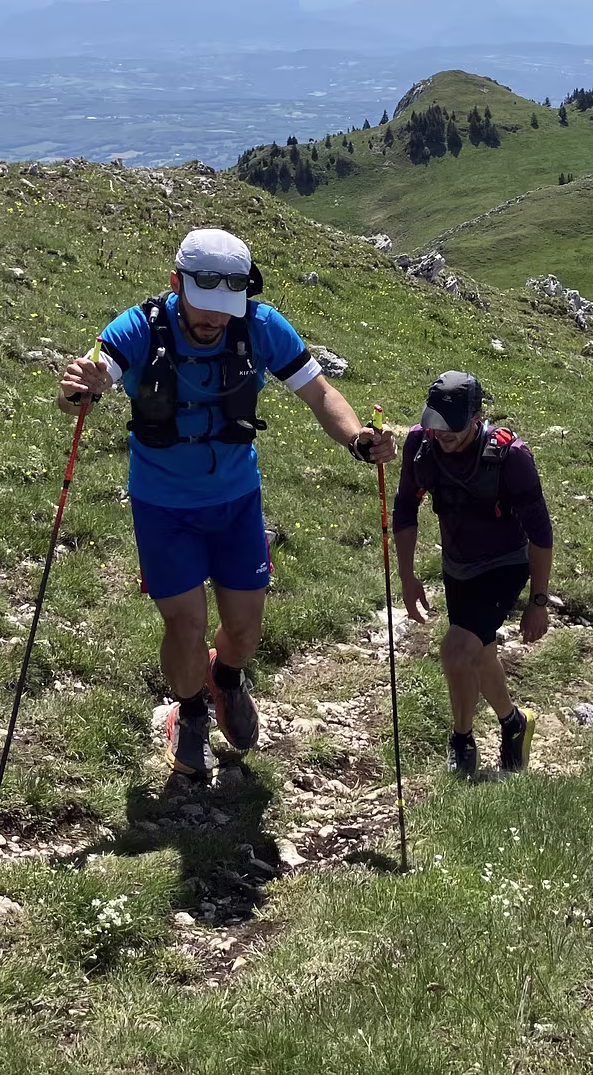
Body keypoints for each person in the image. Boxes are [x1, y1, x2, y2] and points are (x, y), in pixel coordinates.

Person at [57, 227, 395, 779]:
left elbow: (319, 393)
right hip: (163, 505)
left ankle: (227, 679)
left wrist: (357, 437)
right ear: (176, 284)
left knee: (244, 629)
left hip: (236, 501)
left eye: (226, 309)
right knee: (185, 625)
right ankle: (190, 714)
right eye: (204, 305)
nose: (215, 320)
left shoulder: (260, 326)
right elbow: (81, 392)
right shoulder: (139, 328)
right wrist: (80, 388)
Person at [394, 371, 555, 777]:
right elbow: (405, 509)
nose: (442, 435)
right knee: (480, 653)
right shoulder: (421, 445)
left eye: (452, 427)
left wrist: (538, 602)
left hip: (504, 565)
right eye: (436, 424)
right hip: (458, 566)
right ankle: (514, 723)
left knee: (456, 650)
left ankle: (462, 741)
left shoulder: (512, 458)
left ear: (477, 418)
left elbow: (541, 535)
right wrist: (407, 577)